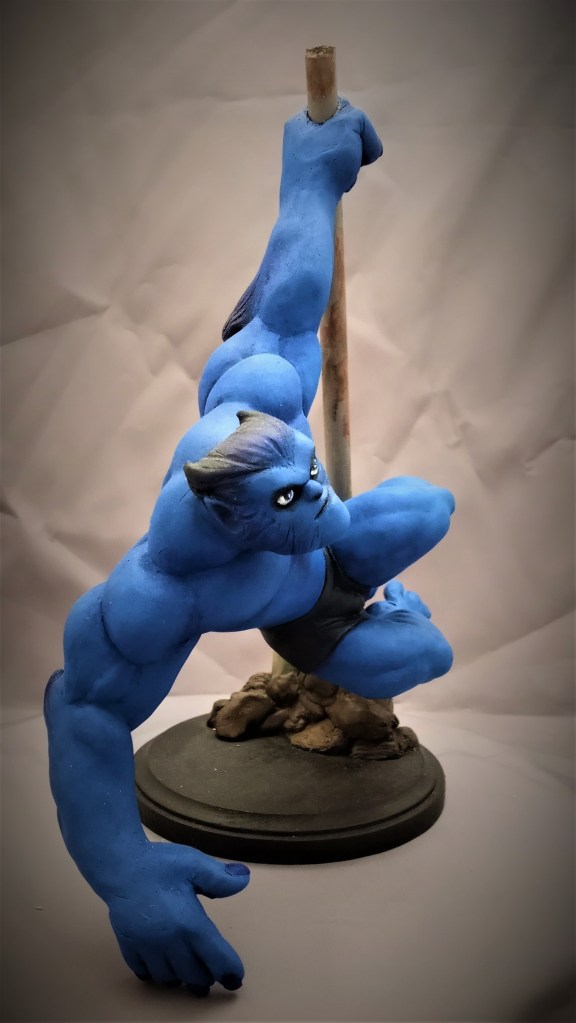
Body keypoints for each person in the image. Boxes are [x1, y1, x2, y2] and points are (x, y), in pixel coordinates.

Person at [44, 99, 454, 997]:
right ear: (235, 521)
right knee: (424, 655)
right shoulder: (157, 595)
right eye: (296, 495)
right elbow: (81, 715)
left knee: (431, 505)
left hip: (327, 563)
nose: (318, 487)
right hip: (308, 620)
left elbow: (295, 294)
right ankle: (365, 639)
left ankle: (379, 599)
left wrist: (311, 177)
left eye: (310, 468)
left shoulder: (257, 390)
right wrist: (122, 872)